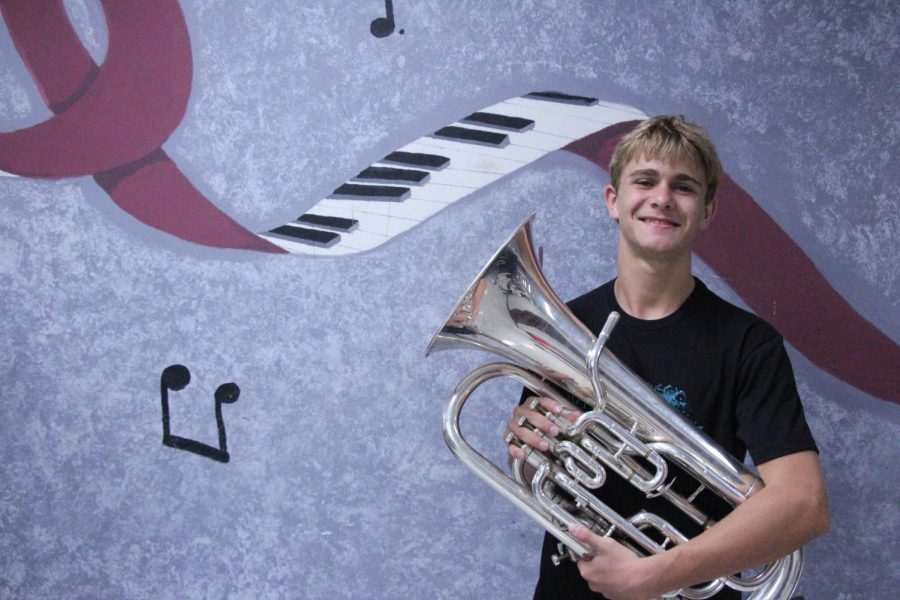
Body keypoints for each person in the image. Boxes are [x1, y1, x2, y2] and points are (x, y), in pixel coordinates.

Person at [505, 115, 830, 600]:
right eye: (644, 181)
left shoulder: (747, 343)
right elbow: (545, 479)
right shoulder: (560, 328)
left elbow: (805, 504)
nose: (661, 198)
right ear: (613, 201)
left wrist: (655, 575)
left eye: (683, 187)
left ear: (707, 212)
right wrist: (530, 449)